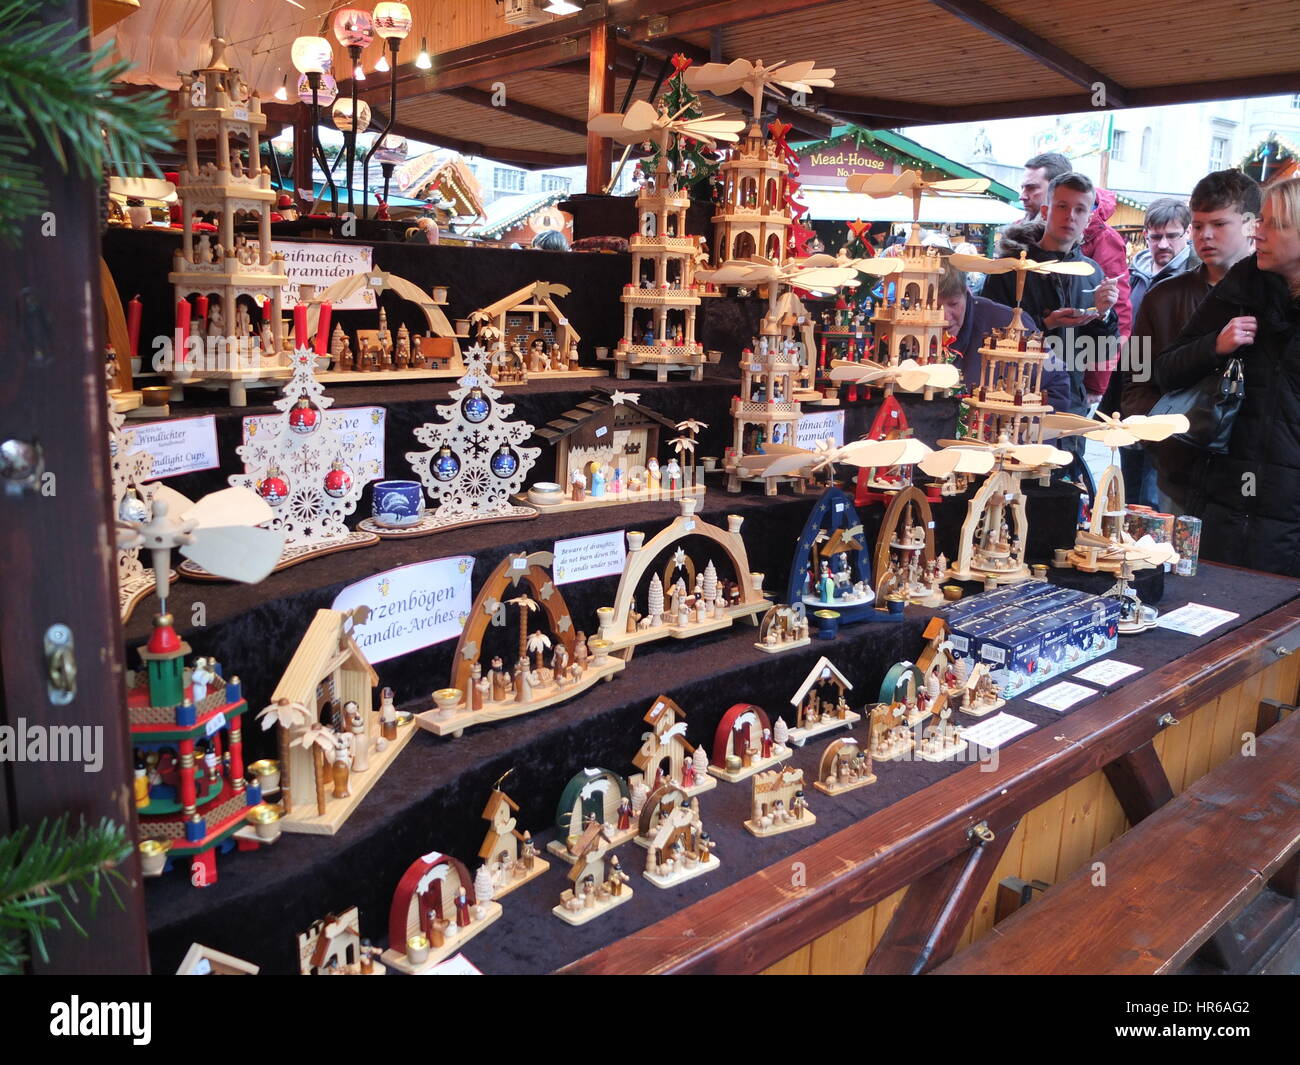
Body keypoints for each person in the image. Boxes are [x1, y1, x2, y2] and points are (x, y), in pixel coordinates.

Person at [1154, 176, 1300, 576]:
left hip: (1287, 512)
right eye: (1260, 221)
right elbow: (1160, 368)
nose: (1259, 232)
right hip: (1223, 491)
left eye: (1274, 224)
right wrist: (1215, 346)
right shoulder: (1241, 284)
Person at [1123, 171, 1260, 513]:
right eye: (1198, 226)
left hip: (1249, 462)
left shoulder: (1273, 293)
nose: (1206, 236)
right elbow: (1135, 373)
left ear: (1250, 225)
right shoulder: (1163, 295)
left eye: (1219, 224)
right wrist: (1161, 440)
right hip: (1177, 464)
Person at [981, 172, 1120, 424]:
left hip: (1069, 403)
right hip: (1014, 400)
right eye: (1062, 207)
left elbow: (1101, 351)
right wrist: (1046, 325)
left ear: (1089, 219)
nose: (1070, 216)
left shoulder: (1092, 271)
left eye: (1080, 210)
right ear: (1045, 211)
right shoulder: (1008, 268)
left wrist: (1105, 314)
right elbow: (988, 337)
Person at [936, 261, 1070, 411]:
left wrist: (1017, 428)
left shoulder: (1008, 323)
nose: (945, 317)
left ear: (967, 293)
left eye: (953, 304)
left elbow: (1056, 386)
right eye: (933, 306)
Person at [1128, 198, 1196, 319]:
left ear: (1188, 232)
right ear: (1145, 235)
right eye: (1156, 237)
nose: (1163, 245)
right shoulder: (1132, 273)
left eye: (1172, 236)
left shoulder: (1201, 277)